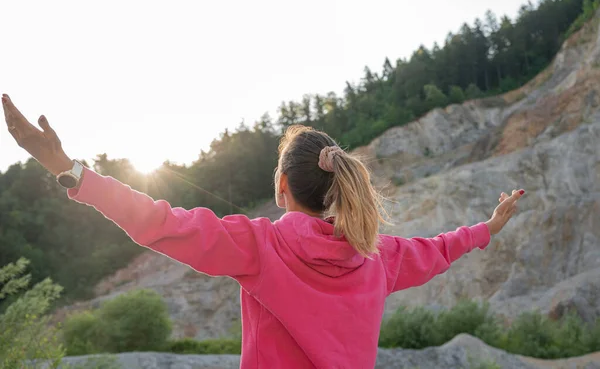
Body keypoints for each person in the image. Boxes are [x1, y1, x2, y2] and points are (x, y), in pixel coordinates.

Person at [2, 93, 523, 368]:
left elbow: (156, 221)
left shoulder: (259, 245)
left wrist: (70, 170)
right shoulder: (378, 256)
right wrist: (487, 228)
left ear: (281, 188)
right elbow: (438, 249)